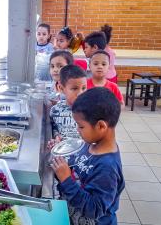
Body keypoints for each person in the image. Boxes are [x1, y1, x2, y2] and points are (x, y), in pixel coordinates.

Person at [51, 87, 125, 225]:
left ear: (101, 126)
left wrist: (66, 180)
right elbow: (75, 168)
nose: (77, 130)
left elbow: (94, 209)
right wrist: (59, 156)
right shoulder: (89, 144)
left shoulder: (107, 168)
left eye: (81, 126)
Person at [49, 64, 87, 143]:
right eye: (74, 88)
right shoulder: (55, 110)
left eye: (83, 88)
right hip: (63, 152)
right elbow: (54, 128)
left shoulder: (90, 110)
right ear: (61, 88)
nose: (80, 93)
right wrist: (56, 136)